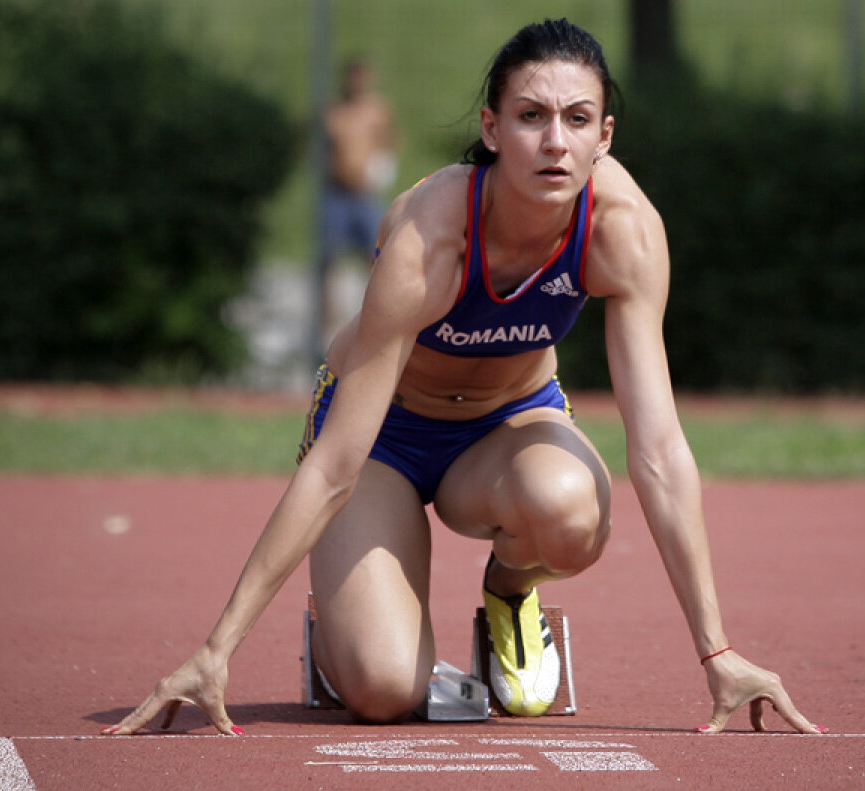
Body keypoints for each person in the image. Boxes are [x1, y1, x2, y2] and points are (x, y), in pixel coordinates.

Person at [102, 19, 825, 736]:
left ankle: (510, 592)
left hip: (504, 427)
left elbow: (661, 451)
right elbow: (336, 465)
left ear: (603, 135)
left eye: (577, 120)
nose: (554, 142)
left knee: (572, 509)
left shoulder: (624, 228)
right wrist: (215, 648)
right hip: (382, 435)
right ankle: (342, 640)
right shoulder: (430, 235)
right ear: (491, 127)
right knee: (384, 690)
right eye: (530, 117)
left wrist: (717, 650)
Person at [317, 58, 399, 346]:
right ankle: (326, 323)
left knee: (374, 256)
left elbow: (387, 143)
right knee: (329, 257)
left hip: (365, 194)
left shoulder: (377, 111)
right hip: (337, 192)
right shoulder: (334, 112)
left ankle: (376, 317)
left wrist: (381, 169)